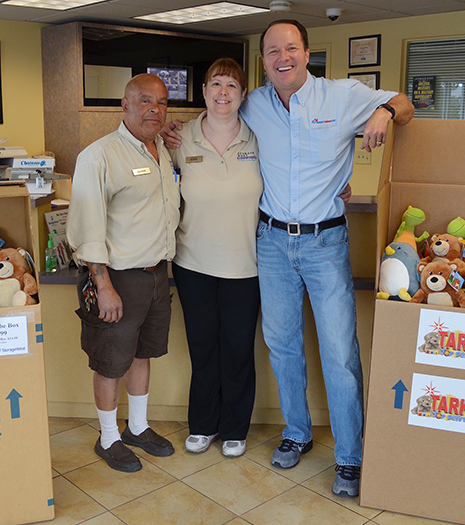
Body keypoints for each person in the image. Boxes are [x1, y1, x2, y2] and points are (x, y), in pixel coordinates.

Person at [240, 19, 414, 497]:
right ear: (264, 61)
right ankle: (296, 432)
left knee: (339, 353)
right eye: (272, 50)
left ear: (307, 51)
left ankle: (350, 457)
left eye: (291, 47)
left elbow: (406, 104)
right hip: (272, 242)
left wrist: (382, 111)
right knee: (282, 345)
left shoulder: (341, 96)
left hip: (324, 243)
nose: (283, 57)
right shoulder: (254, 104)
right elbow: (215, 123)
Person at [66, 74, 179, 473]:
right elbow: (86, 226)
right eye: (145, 101)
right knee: (110, 360)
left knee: (141, 354)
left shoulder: (162, 150)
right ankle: (108, 436)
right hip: (116, 278)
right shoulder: (99, 156)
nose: (155, 109)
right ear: (124, 105)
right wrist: (103, 285)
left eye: (163, 102)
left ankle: (137, 427)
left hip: (156, 274)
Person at [170, 58, 262, 458]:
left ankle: (235, 427)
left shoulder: (260, 138)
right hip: (193, 264)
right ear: (204, 91)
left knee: (239, 348)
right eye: (216, 84)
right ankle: (204, 424)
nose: (223, 93)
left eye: (232, 86)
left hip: (247, 265)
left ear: (243, 95)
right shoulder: (178, 139)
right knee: (203, 347)